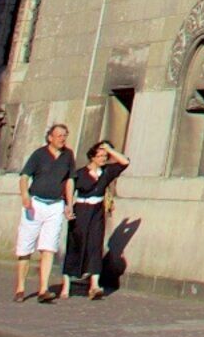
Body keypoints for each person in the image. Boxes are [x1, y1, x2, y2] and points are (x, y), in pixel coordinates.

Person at [14, 123, 77, 302]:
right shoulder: (39, 154)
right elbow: (25, 176)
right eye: (59, 135)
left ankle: (43, 289)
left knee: (48, 247)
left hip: (55, 205)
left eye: (65, 135)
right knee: (25, 246)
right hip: (35, 204)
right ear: (50, 137)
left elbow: (70, 180)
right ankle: (20, 287)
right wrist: (25, 195)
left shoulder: (68, 155)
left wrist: (69, 203)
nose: (62, 139)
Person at [64, 140, 126, 297]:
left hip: (97, 212)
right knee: (76, 243)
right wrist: (68, 206)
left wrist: (110, 150)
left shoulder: (106, 172)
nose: (103, 159)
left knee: (95, 244)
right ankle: (66, 285)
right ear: (92, 157)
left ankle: (94, 285)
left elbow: (124, 162)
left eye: (105, 156)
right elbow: (69, 188)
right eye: (100, 156)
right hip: (81, 210)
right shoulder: (80, 173)